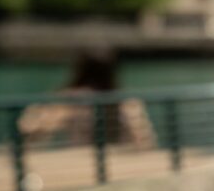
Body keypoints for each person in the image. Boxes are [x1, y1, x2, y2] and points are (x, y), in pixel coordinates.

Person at [18, 52, 156, 149]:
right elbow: (143, 137)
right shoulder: (126, 101)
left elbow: (31, 127)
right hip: (120, 160)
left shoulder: (71, 99)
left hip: (84, 160)